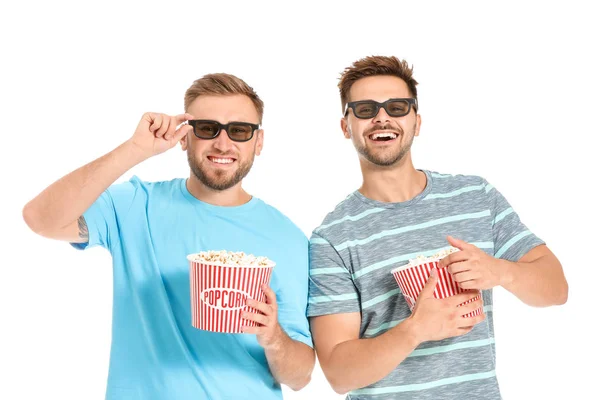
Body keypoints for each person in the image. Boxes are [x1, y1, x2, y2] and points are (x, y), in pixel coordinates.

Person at [22, 73, 315, 399]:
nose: (223, 143)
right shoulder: (133, 206)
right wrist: (134, 149)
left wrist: (273, 336)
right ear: (184, 138)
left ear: (258, 142)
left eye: (240, 131)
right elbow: (40, 219)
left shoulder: (289, 238)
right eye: (207, 128)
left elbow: (301, 376)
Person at [307, 56, 568, 399]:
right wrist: (414, 329)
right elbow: (339, 374)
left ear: (417, 122)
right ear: (346, 127)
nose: (382, 117)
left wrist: (500, 271)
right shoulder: (332, 238)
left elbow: (557, 289)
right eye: (366, 108)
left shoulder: (475, 196)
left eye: (397, 107)